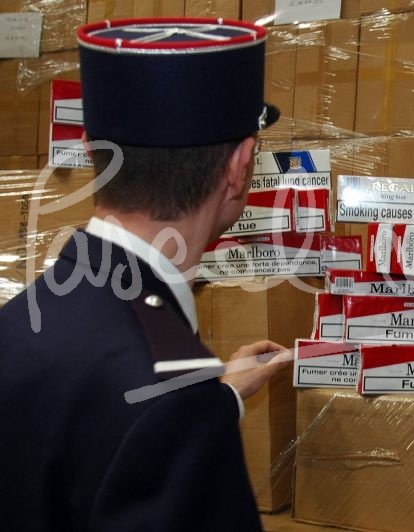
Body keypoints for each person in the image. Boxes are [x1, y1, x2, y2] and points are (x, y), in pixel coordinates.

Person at [0, 18, 290, 531]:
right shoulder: (174, 392)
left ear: (90, 150)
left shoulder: (20, 323)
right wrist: (200, 407)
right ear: (239, 167)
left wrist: (218, 398)